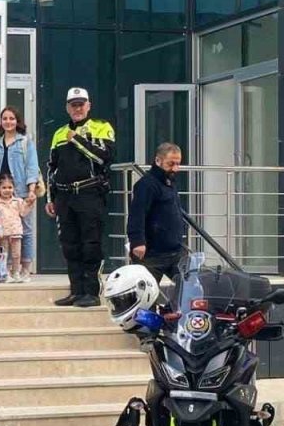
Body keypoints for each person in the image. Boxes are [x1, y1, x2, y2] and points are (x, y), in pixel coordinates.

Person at [45, 86, 116, 308]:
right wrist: (50, 198)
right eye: (73, 105)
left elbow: (104, 157)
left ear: (88, 106)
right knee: (69, 245)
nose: (77, 108)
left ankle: (92, 292)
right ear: (67, 108)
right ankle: (76, 290)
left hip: (90, 193)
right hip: (65, 196)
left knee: (91, 243)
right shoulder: (58, 133)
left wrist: (77, 139)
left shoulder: (101, 127)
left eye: (81, 104)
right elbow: (51, 168)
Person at [0, 106, 41, 281]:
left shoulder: (25, 142)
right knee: (2, 232)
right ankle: (6, 268)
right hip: (1, 194)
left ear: (17, 121)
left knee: (24, 230)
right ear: (0, 122)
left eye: (12, 118)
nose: (8, 122)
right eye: (5, 118)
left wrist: (32, 190)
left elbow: (32, 166)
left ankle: (25, 268)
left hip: (22, 192)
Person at [127, 142, 186, 282]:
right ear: (158, 161)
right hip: (152, 253)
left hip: (174, 250)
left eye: (178, 164)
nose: (175, 169)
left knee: (189, 289)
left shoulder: (169, 182)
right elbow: (137, 214)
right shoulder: (147, 184)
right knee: (146, 296)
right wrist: (137, 241)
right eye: (171, 164)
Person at [0, 177, 29, 283]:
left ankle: (15, 272)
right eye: (4, 187)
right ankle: (5, 273)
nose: (7, 190)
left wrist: (29, 203)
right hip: (3, 233)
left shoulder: (18, 201)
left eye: (10, 187)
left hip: (16, 232)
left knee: (16, 254)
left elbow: (23, 213)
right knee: (4, 254)